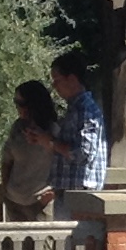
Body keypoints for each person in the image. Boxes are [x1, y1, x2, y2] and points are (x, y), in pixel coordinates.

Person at [42, 53, 108, 201]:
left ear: (71, 79)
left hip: (80, 192)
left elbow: (83, 153)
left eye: (57, 80)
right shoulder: (75, 108)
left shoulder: (85, 110)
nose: (54, 86)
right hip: (71, 190)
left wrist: (50, 143)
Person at [0, 81, 60, 222]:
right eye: (16, 102)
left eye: (21, 103)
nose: (18, 107)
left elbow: (65, 160)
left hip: (41, 202)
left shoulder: (53, 129)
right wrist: (5, 190)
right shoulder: (17, 127)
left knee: (43, 244)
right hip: (14, 201)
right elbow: (7, 160)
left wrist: (53, 194)